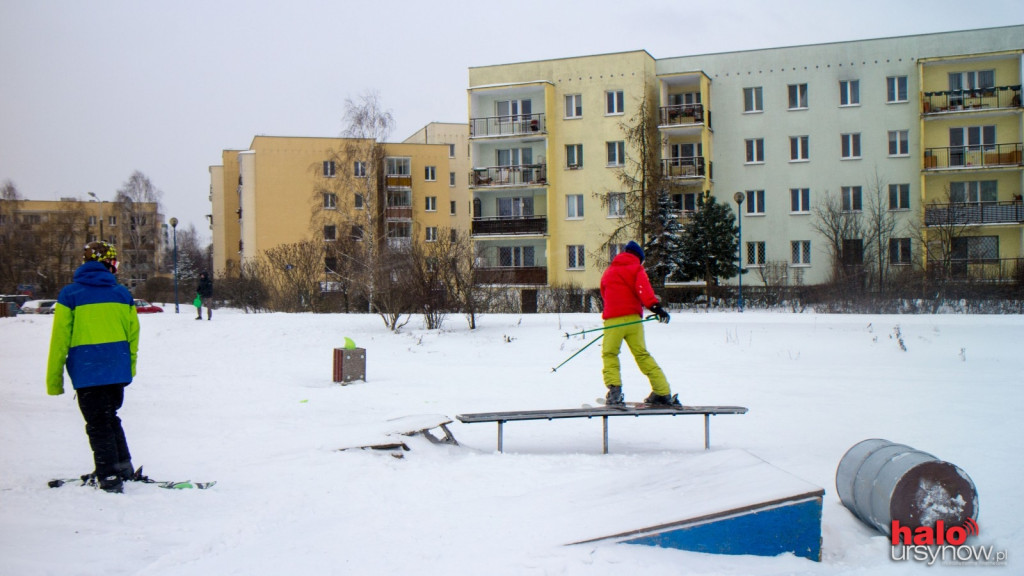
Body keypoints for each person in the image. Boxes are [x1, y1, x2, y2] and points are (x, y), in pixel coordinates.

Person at [46, 241, 142, 493]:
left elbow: (59, 341)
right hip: (116, 372)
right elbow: (133, 337)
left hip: (87, 372)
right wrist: (128, 369)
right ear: (108, 264)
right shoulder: (122, 294)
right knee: (110, 418)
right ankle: (122, 466)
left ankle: (109, 475)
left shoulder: (70, 295)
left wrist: (54, 380)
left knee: (98, 423)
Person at [599, 241, 679, 407]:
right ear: (638, 258)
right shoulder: (636, 269)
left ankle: (615, 393)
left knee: (610, 354)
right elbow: (644, 290)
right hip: (634, 320)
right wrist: (656, 308)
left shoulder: (609, 271)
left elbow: (604, 292)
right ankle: (662, 391)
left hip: (613, 321)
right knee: (642, 354)